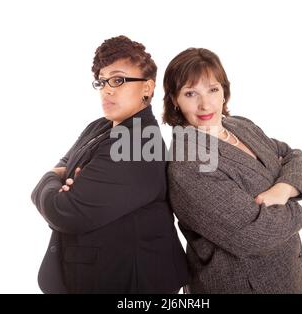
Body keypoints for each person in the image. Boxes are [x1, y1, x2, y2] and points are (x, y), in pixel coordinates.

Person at [31, 35, 189, 294]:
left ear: (147, 88)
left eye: (118, 80)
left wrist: (51, 176)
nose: (107, 89)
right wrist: (63, 175)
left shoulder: (137, 143)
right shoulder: (100, 126)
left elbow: (66, 211)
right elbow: (65, 163)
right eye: (102, 81)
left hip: (133, 284)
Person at [163, 48, 302, 293]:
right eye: (190, 93)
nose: (205, 104)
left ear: (224, 92)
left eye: (213, 89)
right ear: (175, 101)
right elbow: (254, 235)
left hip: (288, 275)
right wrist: (297, 207)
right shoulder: (189, 164)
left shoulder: (240, 125)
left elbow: (293, 155)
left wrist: (283, 190)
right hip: (245, 285)